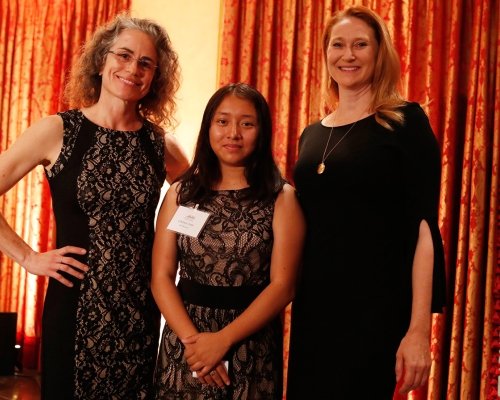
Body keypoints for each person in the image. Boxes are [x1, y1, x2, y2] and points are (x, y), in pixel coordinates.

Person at [0, 15, 189, 399]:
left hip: (139, 311)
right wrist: (28, 258)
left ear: (155, 78)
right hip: (72, 305)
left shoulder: (161, 146)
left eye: (145, 63)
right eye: (123, 55)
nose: (132, 69)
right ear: (102, 60)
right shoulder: (57, 131)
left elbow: (203, 209)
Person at [286, 5, 446, 399]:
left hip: (376, 313)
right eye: (338, 45)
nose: (348, 55)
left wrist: (418, 330)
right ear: (325, 54)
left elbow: (424, 229)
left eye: (361, 45)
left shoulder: (405, 122)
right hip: (314, 312)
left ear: (379, 54)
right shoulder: (310, 135)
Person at [151, 82, 305, 399]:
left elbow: (283, 286)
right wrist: (195, 343)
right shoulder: (182, 192)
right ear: (209, 126)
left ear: (261, 132)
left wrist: (221, 341)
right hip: (186, 342)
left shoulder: (281, 197)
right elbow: (161, 276)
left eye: (246, 123)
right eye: (222, 121)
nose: (233, 133)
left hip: (251, 343)